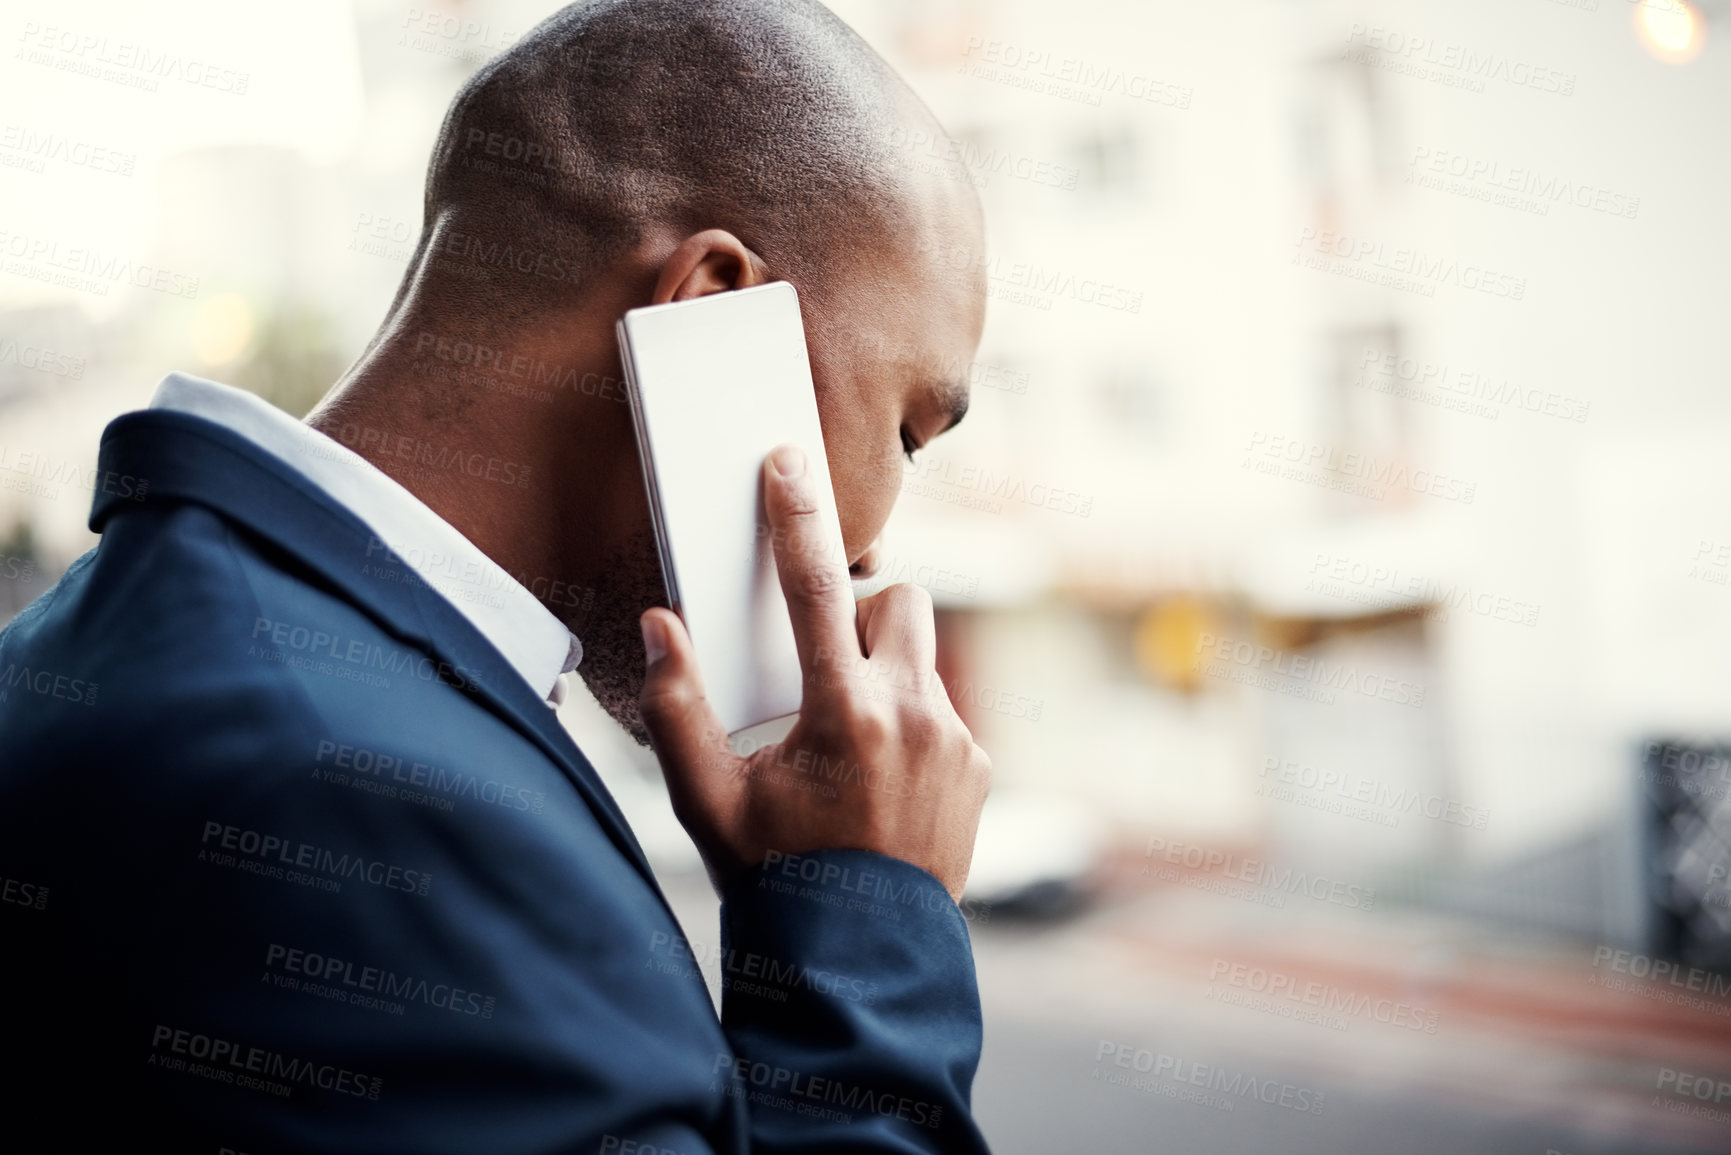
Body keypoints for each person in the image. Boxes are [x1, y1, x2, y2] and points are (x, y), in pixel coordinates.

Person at [0, 0, 995, 1150]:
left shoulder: (123, 642)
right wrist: (870, 930)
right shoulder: (370, 798)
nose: (876, 547)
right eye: (910, 433)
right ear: (715, 311)